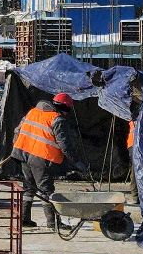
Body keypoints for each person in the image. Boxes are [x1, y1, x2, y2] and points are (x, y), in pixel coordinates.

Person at [11, 91, 90, 228]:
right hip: (41, 157)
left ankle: (23, 219)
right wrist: (77, 162)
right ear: (66, 108)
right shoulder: (57, 119)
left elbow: (17, 131)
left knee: (29, 188)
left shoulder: (33, 112)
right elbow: (65, 145)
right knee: (46, 190)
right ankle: (53, 223)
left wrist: (17, 147)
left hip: (23, 153)